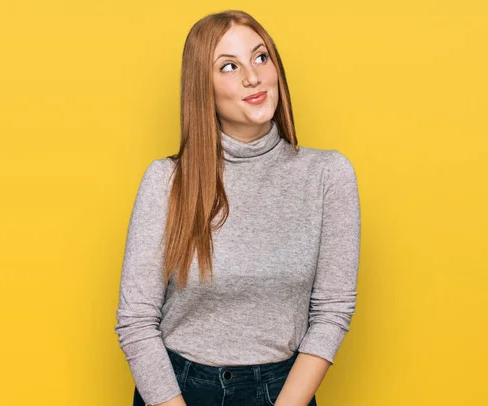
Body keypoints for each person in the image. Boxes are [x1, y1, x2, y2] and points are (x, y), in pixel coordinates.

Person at [114, 9, 361, 406]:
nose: (253, 76)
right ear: (203, 88)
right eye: (228, 66)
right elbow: (136, 321)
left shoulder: (328, 176)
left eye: (261, 57)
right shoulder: (166, 181)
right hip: (177, 392)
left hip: (284, 393)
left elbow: (332, 311)